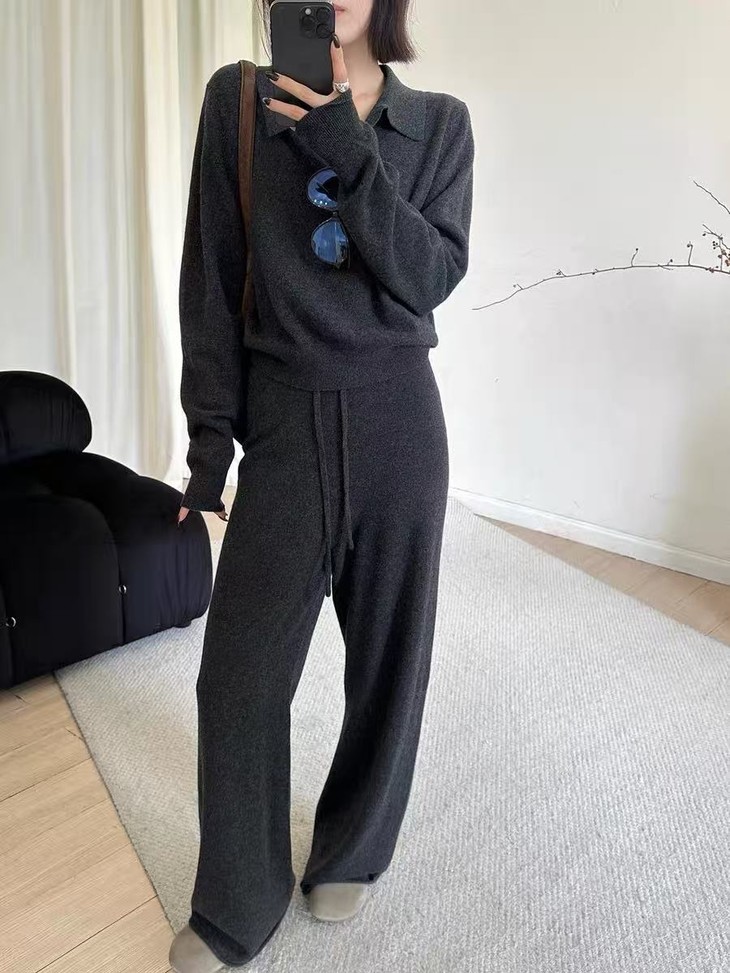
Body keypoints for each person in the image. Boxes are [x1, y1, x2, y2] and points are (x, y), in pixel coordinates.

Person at [170, 1, 474, 970]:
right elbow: (211, 279)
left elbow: (427, 276)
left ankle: (353, 848)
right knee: (239, 677)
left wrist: (346, 142)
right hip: (285, 421)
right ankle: (240, 894)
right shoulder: (238, 102)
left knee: (389, 660)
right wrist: (209, 444)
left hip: (399, 424)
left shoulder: (439, 124)